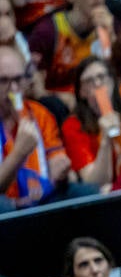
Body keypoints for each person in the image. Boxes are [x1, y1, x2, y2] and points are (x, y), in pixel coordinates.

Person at [0, 43, 74, 210]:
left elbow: (55, 156)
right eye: (3, 80)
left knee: (83, 192)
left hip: (42, 198)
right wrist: (19, 153)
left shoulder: (39, 114)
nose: (13, 89)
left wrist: (60, 168)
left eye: (18, 79)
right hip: (7, 207)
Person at [60, 56, 121, 188]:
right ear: (81, 91)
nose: (98, 84)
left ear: (112, 82)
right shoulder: (73, 126)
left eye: (102, 77)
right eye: (89, 81)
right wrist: (106, 142)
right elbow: (93, 183)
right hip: (107, 193)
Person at [26, 0, 114, 102]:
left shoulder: (111, 26)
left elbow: (116, 80)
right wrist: (61, 98)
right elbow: (37, 92)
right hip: (61, 106)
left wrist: (109, 37)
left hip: (98, 99)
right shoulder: (46, 32)